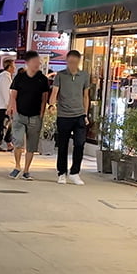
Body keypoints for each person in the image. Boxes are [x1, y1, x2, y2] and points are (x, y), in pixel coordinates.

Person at [7, 51, 50, 181]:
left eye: (39, 62)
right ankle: (17, 166)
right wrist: (12, 109)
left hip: (35, 116)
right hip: (20, 115)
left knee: (32, 145)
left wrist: (42, 113)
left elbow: (44, 98)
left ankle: (26, 170)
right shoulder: (20, 77)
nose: (37, 64)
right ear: (28, 63)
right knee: (18, 142)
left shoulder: (42, 79)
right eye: (35, 62)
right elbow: (13, 95)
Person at [50, 49, 91, 185]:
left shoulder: (84, 76)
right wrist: (52, 105)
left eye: (75, 62)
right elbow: (54, 92)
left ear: (79, 61)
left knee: (79, 144)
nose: (72, 64)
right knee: (63, 145)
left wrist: (85, 113)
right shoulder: (60, 75)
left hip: (79, 115)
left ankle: (75, 172)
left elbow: (86, 96)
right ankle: (62, 172)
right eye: (70, 62)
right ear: (67, 61)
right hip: (64, 115)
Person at [0, 58, 14, 152]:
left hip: (1, 105)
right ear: (9, 67)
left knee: (7, 125)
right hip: (3, 106)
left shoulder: (3, 76)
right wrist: (9, 106)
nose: (14, 68)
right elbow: (6, 93)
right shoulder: (5, 77)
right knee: (2, 125)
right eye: (13, 65)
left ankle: (9, 143)